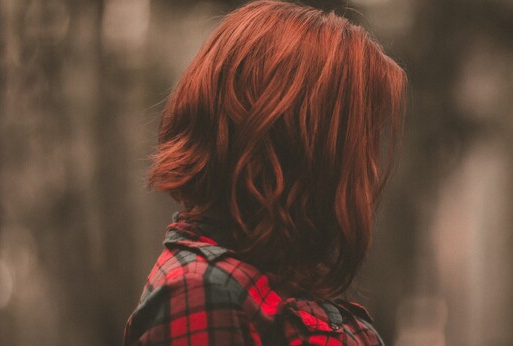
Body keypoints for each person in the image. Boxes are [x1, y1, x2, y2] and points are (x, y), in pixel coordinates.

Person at [123, 1, 406, 344]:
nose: (370, 168)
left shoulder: (299, 296)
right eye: (357, 142)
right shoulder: (204, 295)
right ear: (297, 144)